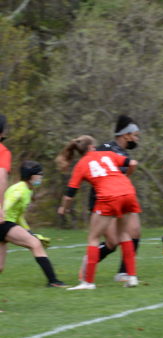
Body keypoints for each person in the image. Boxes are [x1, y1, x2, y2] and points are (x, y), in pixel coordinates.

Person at [56, 135, 140, 290]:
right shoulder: (108, 154)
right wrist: (126, 176)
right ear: (91, 147)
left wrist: (64, 208)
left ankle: (88, 282)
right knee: (124, 234)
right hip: (128, 192)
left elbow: (69, 194)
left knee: (93, 238)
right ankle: (132, 277)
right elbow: (133, 163)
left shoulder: (81, 164)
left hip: (108, 197)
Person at [0, 118, 66, 287]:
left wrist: (29, 231)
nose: (41, 177)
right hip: (3, 223)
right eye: (39, 174)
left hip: (6, 224)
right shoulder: (19, 190)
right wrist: (1, 212)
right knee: (35, 244)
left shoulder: (27, 190)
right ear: (31, 176)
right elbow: (7, 204)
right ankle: (53, 281)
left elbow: (19, 216)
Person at [79, 114, 141, 282]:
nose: (137, 139)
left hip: (121, 197)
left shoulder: (123, 153)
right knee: (112, 242)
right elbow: (89, 168)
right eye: (136, 135)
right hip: (103, 199)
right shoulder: (105, 148)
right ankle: (89, 262)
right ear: (126, 135)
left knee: (135, 231)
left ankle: (125, 273)